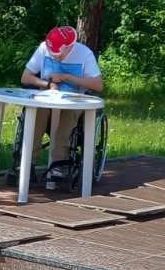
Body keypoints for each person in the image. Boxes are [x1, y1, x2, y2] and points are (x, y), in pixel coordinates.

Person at [20, 24, 104, 190]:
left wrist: (67, 77)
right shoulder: (43, 48)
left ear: (69, 47)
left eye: (58, 55)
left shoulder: (84, 54)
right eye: (52, 54)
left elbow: (98, 85)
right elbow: (25, 77)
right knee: (37, 112)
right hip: (47, 99)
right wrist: (47, 84)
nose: (54, 57)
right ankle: (28, 161)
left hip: (74, 101)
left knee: (68, 116)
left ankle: (59, 163)